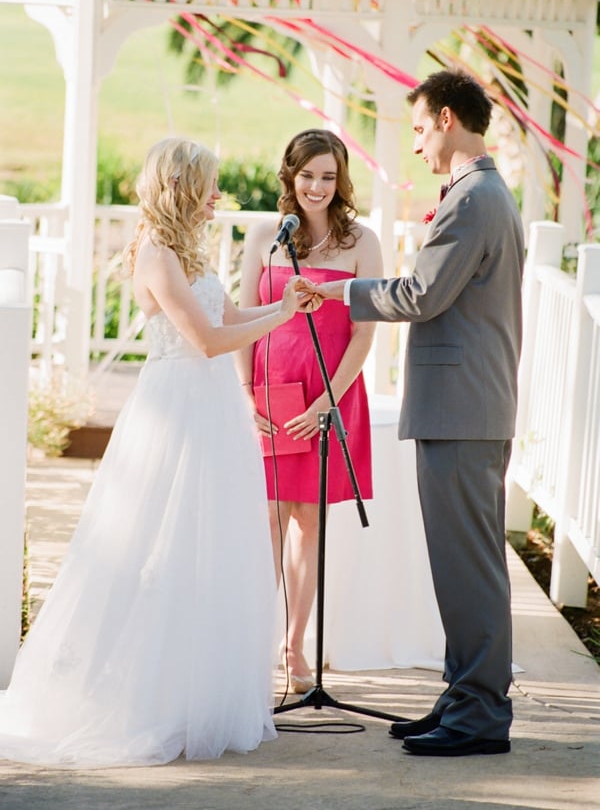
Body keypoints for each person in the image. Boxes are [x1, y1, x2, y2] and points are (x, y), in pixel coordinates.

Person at [0, 137, 312, 768]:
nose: (218, 196)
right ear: (181, 187)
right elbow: (207, 340)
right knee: (154, 546)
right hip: (175, 410)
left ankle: (195, 694)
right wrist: (280, 317)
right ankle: (141, 699)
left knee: (210, 546)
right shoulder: (155, 252)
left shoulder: (193, 251)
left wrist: (281, 304)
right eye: (209, 185)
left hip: (214, 413)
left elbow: (228, 312)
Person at [302, 70, 525, 756]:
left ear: (451, 119)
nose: (420, 145)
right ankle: (464, 696)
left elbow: (424, 294)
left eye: (423, 129)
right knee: (462, 566)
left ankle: (481, 714)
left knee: (470, 569)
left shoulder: (474, 200)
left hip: (463, 412)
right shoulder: (481, 195)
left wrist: (338, 293)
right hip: (465, 408)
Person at [236, 129, 383, 693]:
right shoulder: (263, 238)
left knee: (308, 520)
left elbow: (364, 335)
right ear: (289, 176)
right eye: (307, 176)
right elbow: (244, 319)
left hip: (330, 394)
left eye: (328, 176)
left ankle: (295, 648)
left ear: (341, 179)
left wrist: (327, 401)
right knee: (268, 518)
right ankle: (251, 644)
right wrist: (248, 393)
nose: (317, 187)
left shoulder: (362, 242)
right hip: (272, 394)